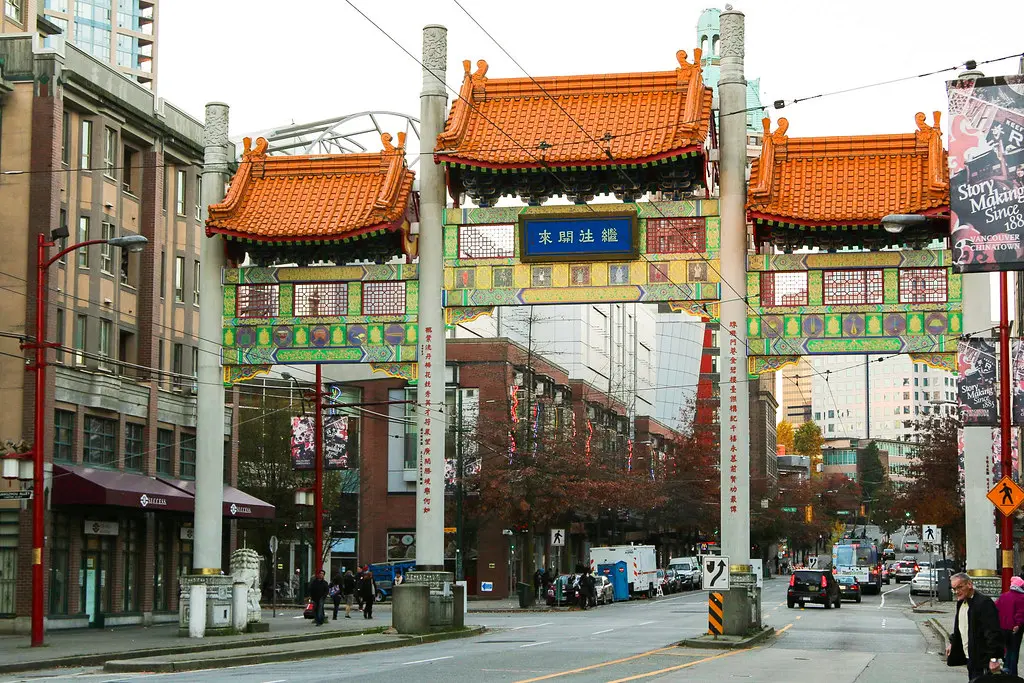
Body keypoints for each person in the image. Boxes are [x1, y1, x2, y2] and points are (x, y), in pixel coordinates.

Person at [947, 572, 1004, 680]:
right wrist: (953, 643)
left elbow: (993, 632)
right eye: (954, 589)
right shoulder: (961, 603)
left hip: (982, 661)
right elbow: (961, 627)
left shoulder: (983, 603)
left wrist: (993, 658)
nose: (957, 592)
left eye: (959, 587)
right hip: (971, 658)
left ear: (969, 584)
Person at [998, 576, 1024, 676]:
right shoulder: (1022, 598)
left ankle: (1006, 669)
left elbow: (996, 609)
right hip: (1014, 630)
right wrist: (1018, 624)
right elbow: (1021, 613)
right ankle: (1012, 674)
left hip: (1003, 628)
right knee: (1014, 652)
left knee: (1007, 650)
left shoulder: (1003, 596)